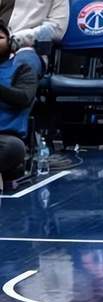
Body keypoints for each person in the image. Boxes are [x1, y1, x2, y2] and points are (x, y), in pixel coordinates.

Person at [0, 21, 38, 189]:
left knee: (13, 148)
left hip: (4, 138)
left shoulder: (22, 69)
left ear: (10, 42)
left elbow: (24, 98)